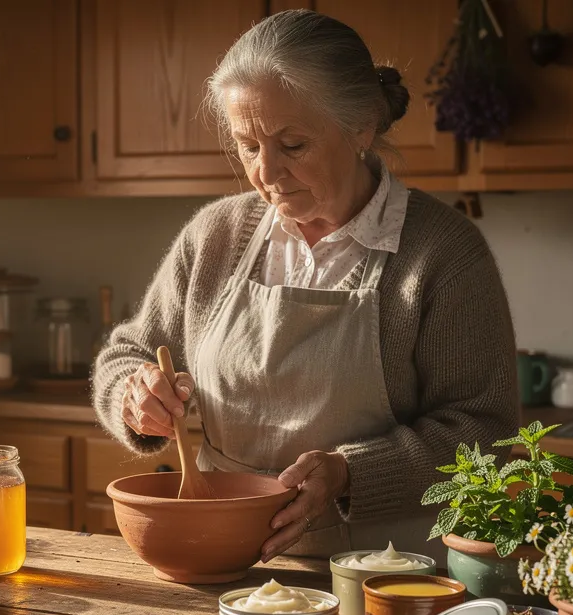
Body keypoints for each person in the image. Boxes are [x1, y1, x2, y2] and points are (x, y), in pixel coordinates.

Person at [91, 10, 518, 563]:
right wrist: (135, 396)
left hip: (386, 572)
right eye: (248, 146)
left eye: (292, 145)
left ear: (361, 126)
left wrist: (348, 473)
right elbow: (127, 353)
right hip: (226, 563)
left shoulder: (442, 252)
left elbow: (486, 431)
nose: (267, 173)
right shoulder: (216, 236)